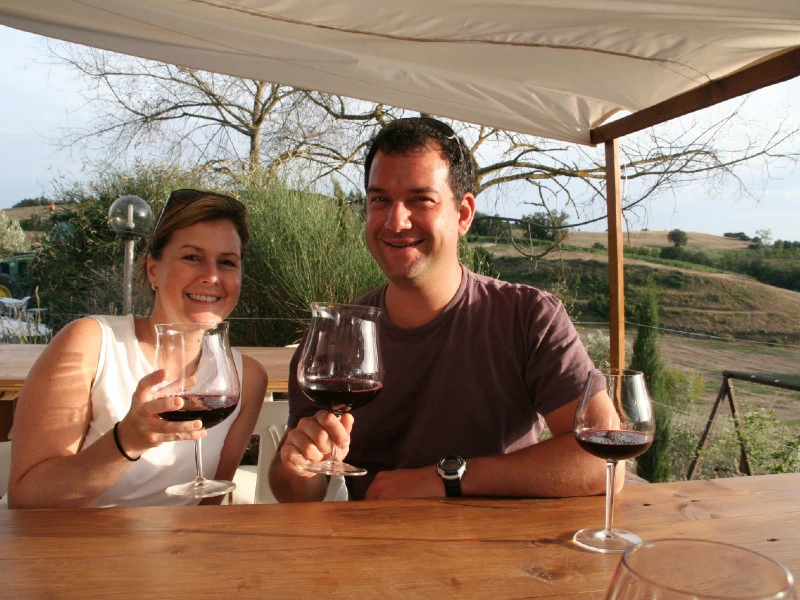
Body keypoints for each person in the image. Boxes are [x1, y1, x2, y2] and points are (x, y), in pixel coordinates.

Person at [269, 118, 617, 502]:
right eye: (380, 200)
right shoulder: (335, 336)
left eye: (421, 199)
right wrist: (297, 463)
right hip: (375, 539)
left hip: (501, 538)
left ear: (463, 214)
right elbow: (296, 495)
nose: (395, 221)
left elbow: (604, 458)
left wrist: (445, 478)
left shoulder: (529, 318)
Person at [7, 189, 267, 508]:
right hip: (63, 539)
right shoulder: (92, 344)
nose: (212, 276)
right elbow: (26, 498)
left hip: (170, 541)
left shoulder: (244, 380)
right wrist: (125, 442)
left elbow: (207, 503)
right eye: (192, 257)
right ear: (153, 269)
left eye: (227, 262)